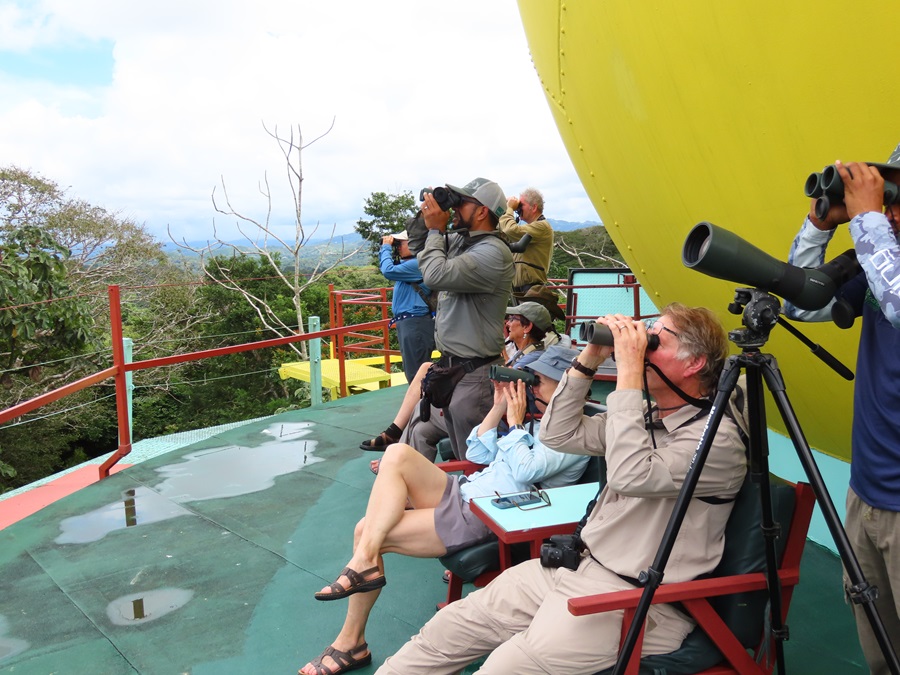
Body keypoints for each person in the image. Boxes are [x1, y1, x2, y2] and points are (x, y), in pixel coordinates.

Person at [375, 304, 748, 674]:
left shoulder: (717, 441)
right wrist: (590, 358)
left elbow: (631, 475)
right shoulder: (650, 421)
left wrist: (631, 371)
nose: (641, 345)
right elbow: (559, 433)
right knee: (450, 628)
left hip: (638, 599)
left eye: (655, 340)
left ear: (694, 362)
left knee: (505, 667)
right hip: (574, 567)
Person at [299, 346, 590, 675]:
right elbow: (478, 450)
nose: (531, 387)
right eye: (531, 380)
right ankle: (363, 568)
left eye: (539, 381)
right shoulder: (538, 421)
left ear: (570, 386)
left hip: (488, 513)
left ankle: (351, 642)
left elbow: (525, 471)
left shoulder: (573, 433)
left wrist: (516, 425)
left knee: (365, 530)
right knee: (396, 454)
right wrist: (497, 409)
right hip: (463, 492)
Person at [784, 147, 900, 674]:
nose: (892, 209)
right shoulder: (881, 258)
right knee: (881, 648)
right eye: (891, 192)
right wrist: (819, 225)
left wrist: (871, 217)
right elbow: (800, 304)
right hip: (867, 493)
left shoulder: (886, 259)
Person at [400, 178, 514, 461]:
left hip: (474, 376)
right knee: (459, 450)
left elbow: (435, 274)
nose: (457, 206)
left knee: (474, 460)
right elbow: (418, 243)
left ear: (482, 211)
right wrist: (429, 211)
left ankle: (473, 501)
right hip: (453, 370)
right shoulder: (462, 242)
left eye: (462, 202)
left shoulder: (492, 252)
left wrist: (438, 228)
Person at [360, 301, 552, 452]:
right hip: (490, 407)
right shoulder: (521, 350)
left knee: (424, 405)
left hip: (496, 415)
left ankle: (395, 446)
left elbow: (505, 382)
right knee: (421, 430)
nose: (507, 323)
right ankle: (409, 476)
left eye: (513, 319)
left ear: (527, 327)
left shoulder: (532, 358)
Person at [378, 230, 435, 384]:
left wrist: (385, 248)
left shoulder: (418, 264)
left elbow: (387, 271)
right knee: (414, 372)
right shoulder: (410, 265)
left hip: (415, 324)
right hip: (411, 324)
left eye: (400, 244)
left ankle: (421, 407)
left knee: (416, 375)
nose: (397, 248)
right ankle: (421, 406)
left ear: (414, 244)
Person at [499, 188, 554, 295]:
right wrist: (504, 206)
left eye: (521, 205)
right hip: (520, 289)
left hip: (532, 288)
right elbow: (503, 233)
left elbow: (510, 230)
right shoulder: (530, 228)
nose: (518, 208)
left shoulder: (542, 226)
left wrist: (510, 208)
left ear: (533, 207)